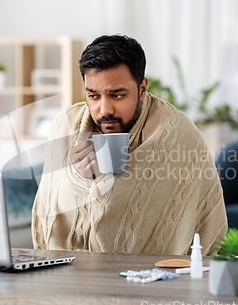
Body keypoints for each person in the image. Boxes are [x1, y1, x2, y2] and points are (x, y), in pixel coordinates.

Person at [32, 34, 227, 255]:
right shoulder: (65, 125)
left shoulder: (178, 132)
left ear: (142, 89)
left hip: (157, 278)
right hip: (70, 273)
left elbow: (207, 228)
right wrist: (77, 179)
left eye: (117, 95)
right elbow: (49, 212)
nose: (104, 110)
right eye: (93, 96)